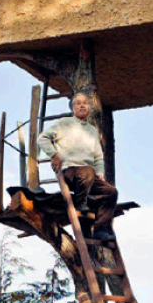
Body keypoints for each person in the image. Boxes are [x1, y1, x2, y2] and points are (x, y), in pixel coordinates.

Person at [38, 93, 118, 241]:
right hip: (70, 171)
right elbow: (42, 138)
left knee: (111, 192)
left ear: (88, 108)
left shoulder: (92, 131)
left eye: (85, 103)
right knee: (87, 171)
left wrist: (100, 172)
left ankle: (101, 229)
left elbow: (99, 157)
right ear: (73, 108)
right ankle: (80, 202)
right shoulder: (64, 123)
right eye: (78, 103)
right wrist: (54, 154)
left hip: (88, 176)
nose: (82, 105)